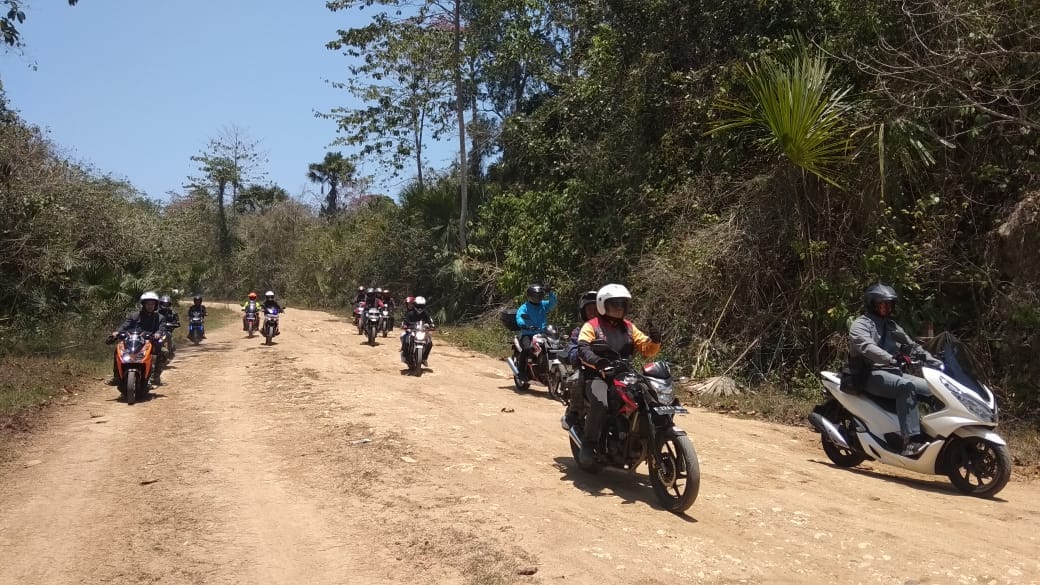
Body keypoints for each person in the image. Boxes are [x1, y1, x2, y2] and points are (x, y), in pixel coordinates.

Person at [847, 283, 941, 456]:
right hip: (870, 374)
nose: (886, 307)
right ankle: (910, 442)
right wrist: (890, 358)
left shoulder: (892, 326)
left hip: (893, 373)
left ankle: (940, 435)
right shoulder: (861, 324)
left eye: (889, 304)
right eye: (882, 303)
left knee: (933, 389)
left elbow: (911, 347)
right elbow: (867, 346)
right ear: (872, 304)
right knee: (906, 387)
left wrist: (934, 361)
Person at [575, 284, 662, 466]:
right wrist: (598, 362)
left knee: (650, 397)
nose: (618, 308)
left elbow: (646, 349)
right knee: (600, 404)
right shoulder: (592, 326)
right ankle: (588, 444)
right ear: (602, 305)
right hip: (597, 375)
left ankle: (643, 437)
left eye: (622, 304)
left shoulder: (629, 327)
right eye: (614, 304)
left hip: (623, 374)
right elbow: (583, 349)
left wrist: (655, 341)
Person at [109, 291, 167, 386]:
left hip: (150, 340)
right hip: (133, 340)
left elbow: (162, 328)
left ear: (156, 305)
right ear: (143, 304)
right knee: (118, 349)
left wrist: (158, 333)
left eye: (152, 303)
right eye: (148, 303)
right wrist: (117, 332)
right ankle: (116, 376)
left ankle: (155, 377)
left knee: (164, 351)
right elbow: (125, 326)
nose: (150, 306)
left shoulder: (160, 317)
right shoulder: (134, 315)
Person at [561, 290, 600, 430]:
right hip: (588, 368)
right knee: (578, 378)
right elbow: (571, 350)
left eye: (597, 308)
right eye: (590, 309)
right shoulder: (580, 330)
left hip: (610, 368)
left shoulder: (612, 329)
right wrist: (581, 353)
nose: (593, 312)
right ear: (584, 312)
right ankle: (575, 412)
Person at [514, 283, 558, 384]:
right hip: (527, 334)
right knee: (526, 349)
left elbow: (553, 302)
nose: (537, 298)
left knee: (554, 347)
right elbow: (519, 317)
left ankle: (545, 369)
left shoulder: (543, 305)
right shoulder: (524, 307)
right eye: (535, 296)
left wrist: (550, 292)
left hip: (542, 334)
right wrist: (523, 324)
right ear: (530, 295)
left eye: (539, 296)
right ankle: (521, 372)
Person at [401, 296, 436, 366]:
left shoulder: (426, 314)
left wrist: (432, 325)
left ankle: (424, 358)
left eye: (421, 306)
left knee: (430, 343)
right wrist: (405, 326)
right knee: (406, 340)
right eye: (418, 306)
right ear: (415, 305)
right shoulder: (410, 313)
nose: (420, 308)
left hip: (423, 331)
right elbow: (405, 321)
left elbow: (430, 321)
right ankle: (405, 355)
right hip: (412, 331)